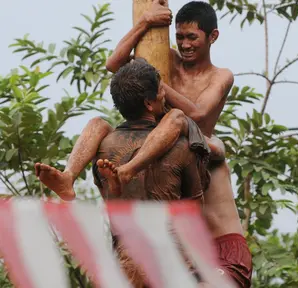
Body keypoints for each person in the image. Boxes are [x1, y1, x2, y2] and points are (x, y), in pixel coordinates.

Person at [35, 1, 252, 287]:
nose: (185, 44)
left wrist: (156, 85)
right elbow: (114, 64)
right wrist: (145, 22)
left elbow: (197, 113)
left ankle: (129, 172)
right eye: (180, 37)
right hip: (175, 229)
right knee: (100, 126)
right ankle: (67, 177)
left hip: (207, 189)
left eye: (192, 38)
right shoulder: (167, 61)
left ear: (212, 37)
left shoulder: (220, 76)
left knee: (191, 132)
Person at [96, 59, 209, 287]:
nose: (164, 95)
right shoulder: (180, 147)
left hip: (126, 264)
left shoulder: (103, 148)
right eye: (161, 90)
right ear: (149, 102)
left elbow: (108, 199)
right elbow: (195, 210)